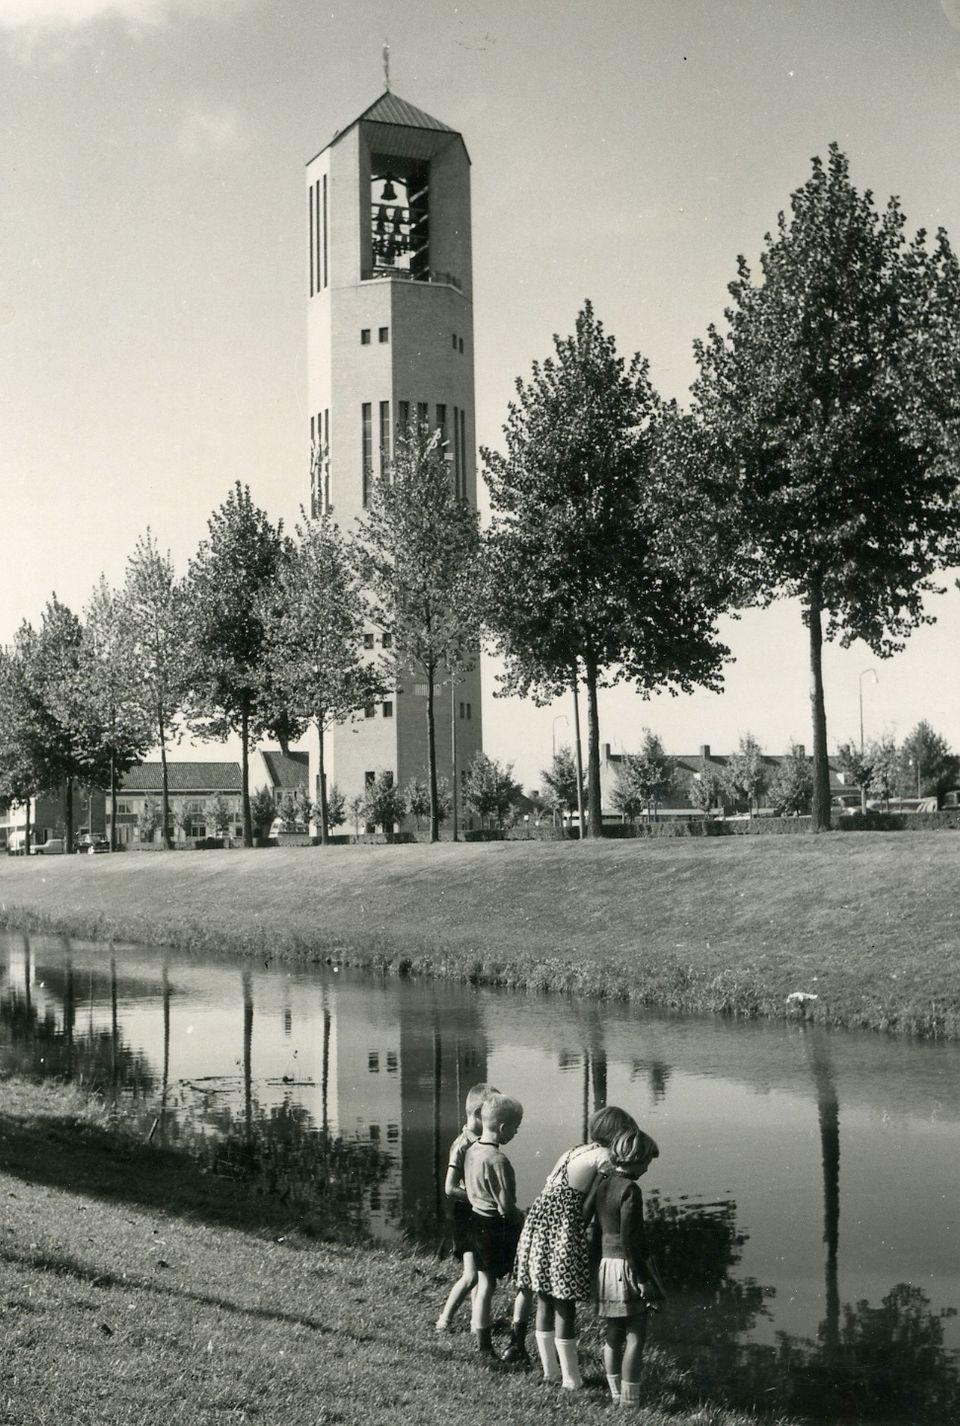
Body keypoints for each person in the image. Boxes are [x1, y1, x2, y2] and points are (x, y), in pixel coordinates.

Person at [512, 1104, 640, 1387]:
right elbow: (593, 1203)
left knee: (544, 1298)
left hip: (539, 1225)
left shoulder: (575, 1150)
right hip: (564, 1228)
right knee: (565, 1303)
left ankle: (550, 1372)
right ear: (617, 1138)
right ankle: (571, 1379)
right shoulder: (605, 1158)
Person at [594, 1126, 661, 1408]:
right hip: (626, 1267)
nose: (646, 1168)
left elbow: (594, 1228)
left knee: (613, 1331)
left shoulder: (603, 1183)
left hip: (605, 1267)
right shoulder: (631, 1189)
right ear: (634, 1158)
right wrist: (644, 1279)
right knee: (636, 1334)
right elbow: (631, 1239)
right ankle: (631, 1401)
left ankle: (615, 1394)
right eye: (646, 1162)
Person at [463, 1092, 525, 1356]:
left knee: (483, 1283)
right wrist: (521, 1219)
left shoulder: (472, 1149)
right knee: (493, 1285)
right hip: (494, 1226)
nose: (516, 1133)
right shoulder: (498, 1161)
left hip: (475, 1219)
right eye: (515, 1128)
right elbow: (505, 1206)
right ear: (502, 1128)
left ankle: (483, 1343)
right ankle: (491, 1346)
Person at [435, 1081, 499, 1333]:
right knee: (472, 1275)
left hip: (479, 1213)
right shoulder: (462, 1144)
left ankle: (477, 1324)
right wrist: (477, 1197)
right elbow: (450, 1188)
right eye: (492, 1116)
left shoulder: (484, 1141)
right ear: (476, 1115)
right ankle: (444, 1321)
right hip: (467, 1214)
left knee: (484, 1274)